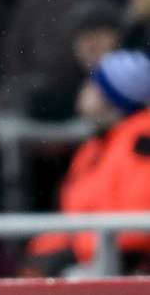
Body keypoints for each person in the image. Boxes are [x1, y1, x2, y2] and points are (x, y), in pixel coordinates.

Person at [26, 49, 150, 276]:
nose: (84, 90)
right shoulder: (98, 143)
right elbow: (75, 216)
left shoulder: (141, 142)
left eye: (93, 85)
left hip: (121, 267)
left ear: (112, 97)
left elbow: (136, 229)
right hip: (93, 257)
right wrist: (42, 252)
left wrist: (74, 251)